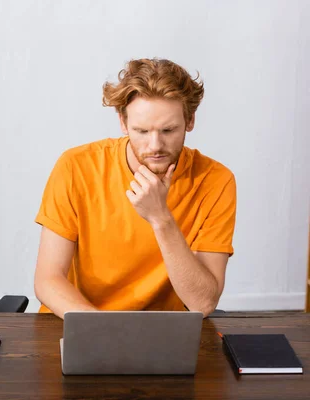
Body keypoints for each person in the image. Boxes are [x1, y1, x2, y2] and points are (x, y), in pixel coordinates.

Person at [34, 58, 236, 318]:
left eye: (168, 130)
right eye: (141, 131)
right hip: (83, 323)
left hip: (161, 332)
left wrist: (160, 218)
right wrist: (102, 330)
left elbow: (203, 303)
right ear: (122, 123)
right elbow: (48, 280)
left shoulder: (216, 181)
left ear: (190, 120)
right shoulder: (75, 167)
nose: (155, 145)